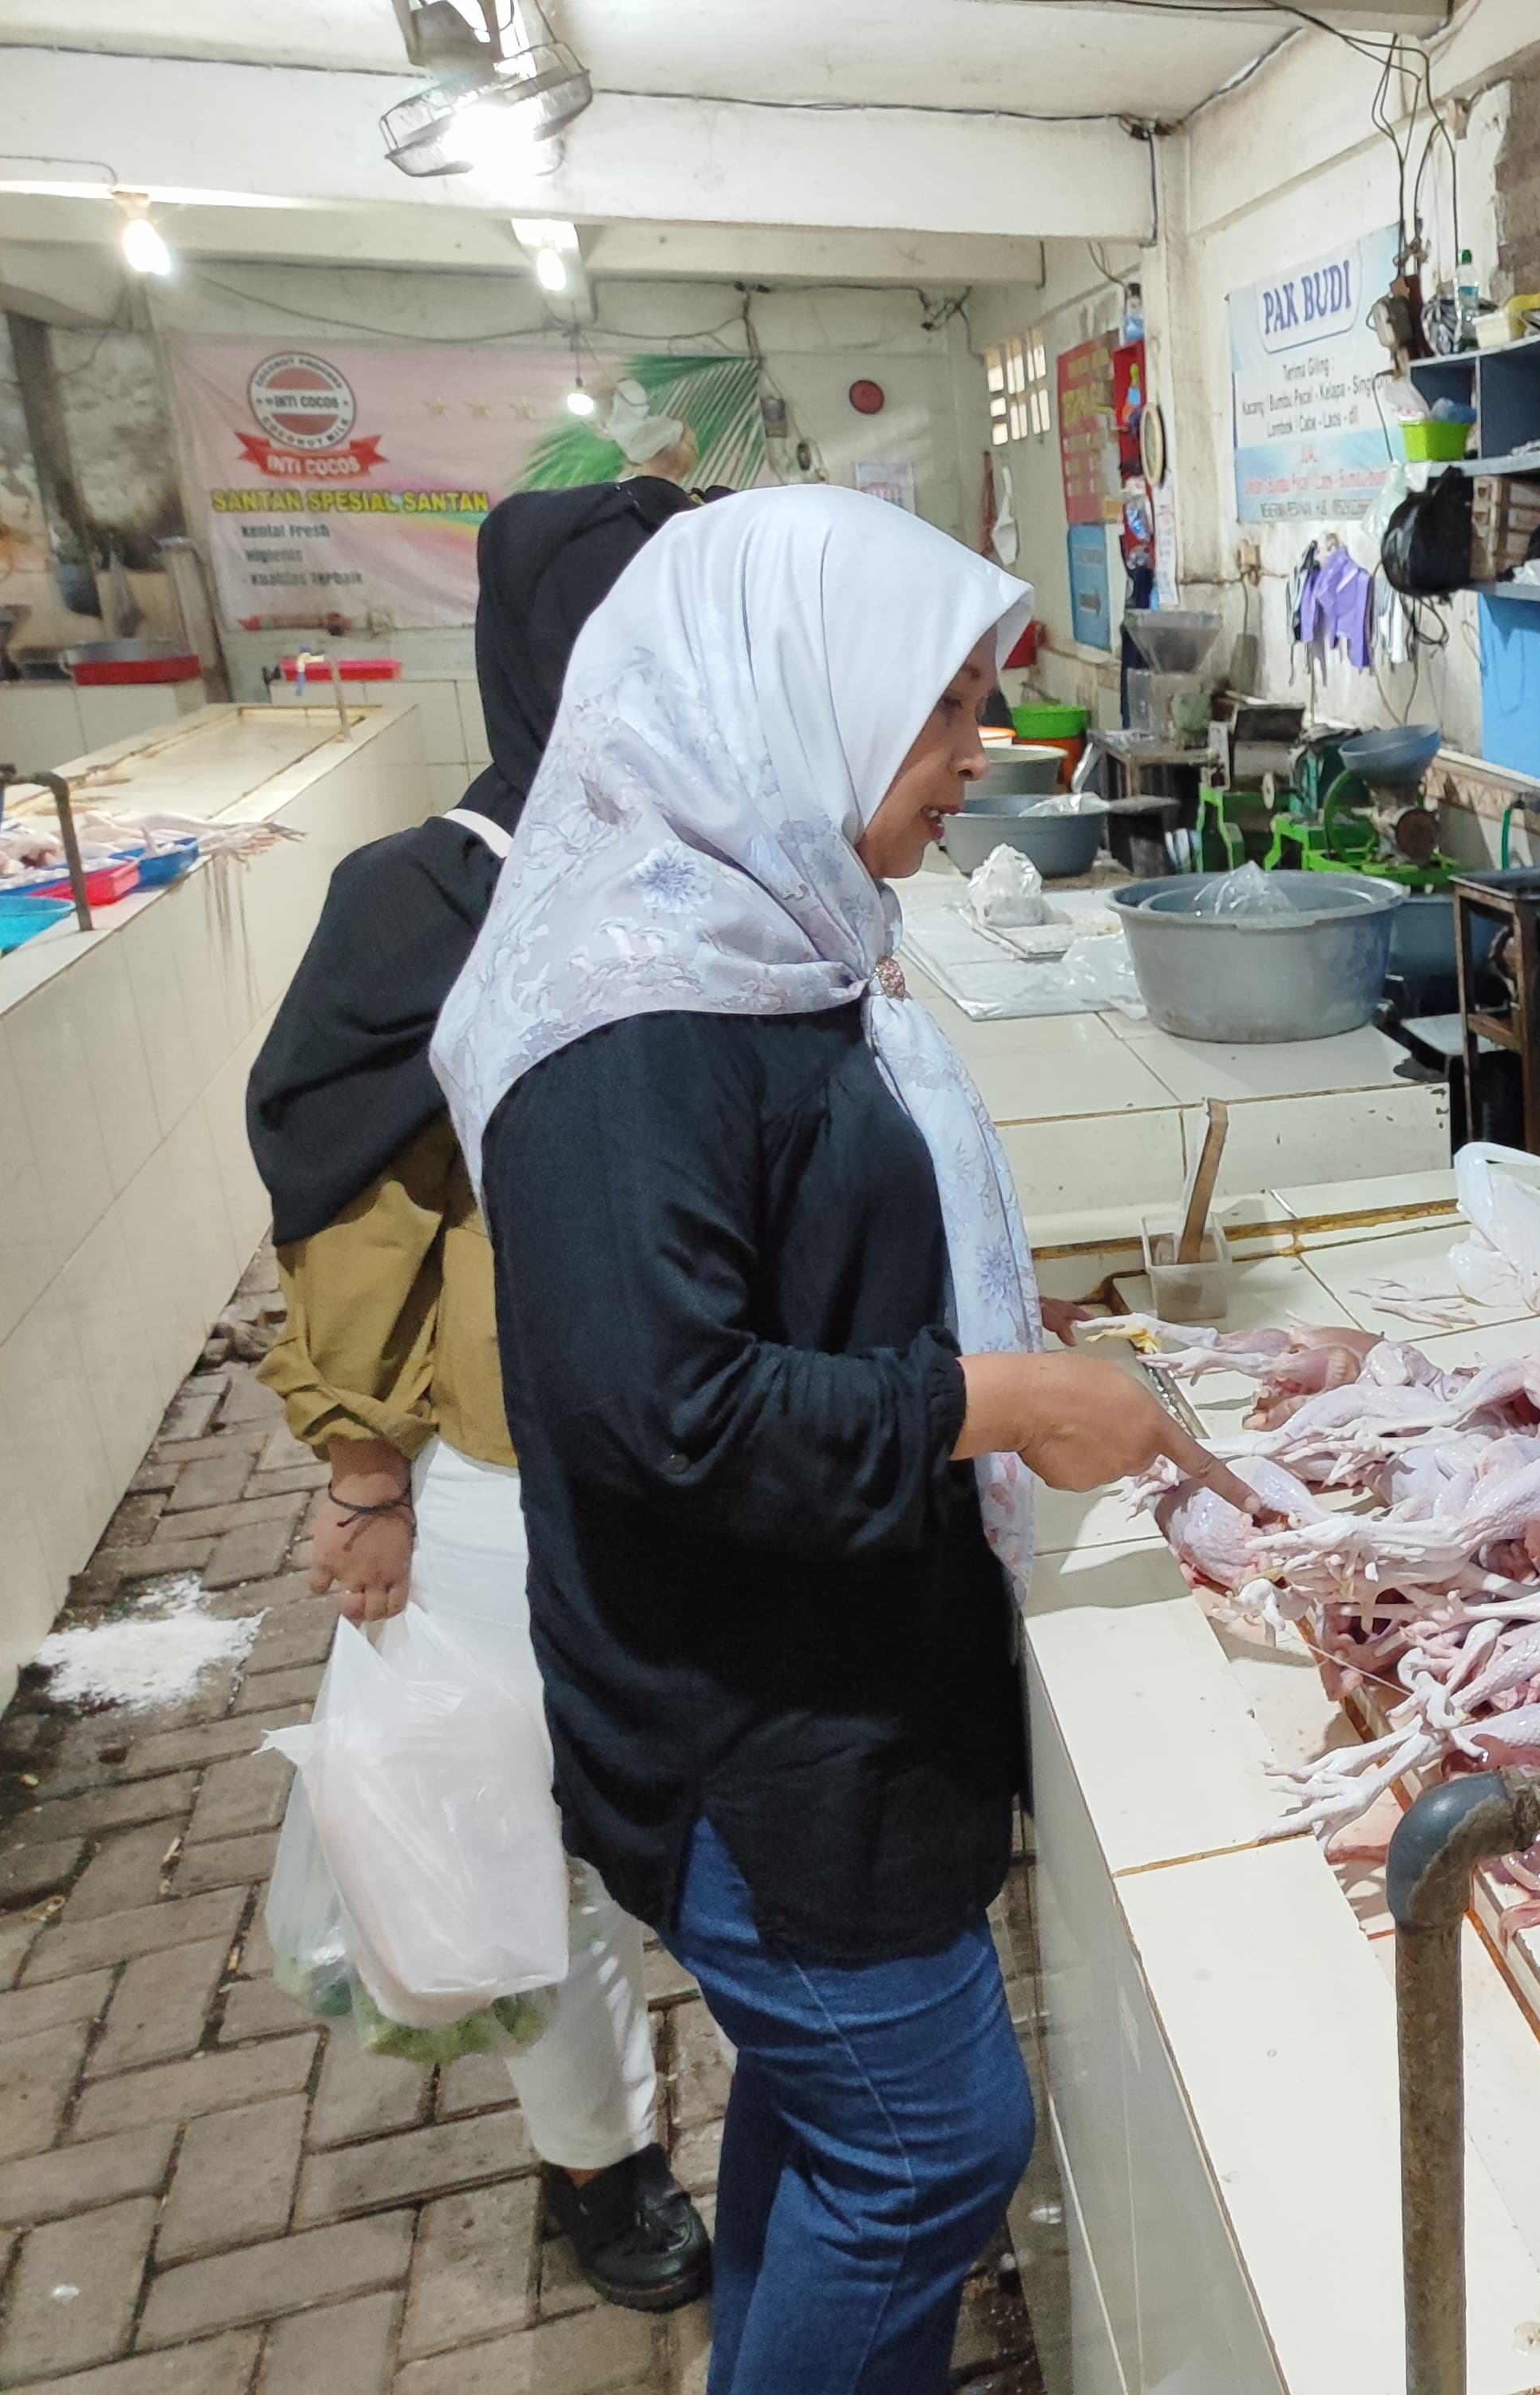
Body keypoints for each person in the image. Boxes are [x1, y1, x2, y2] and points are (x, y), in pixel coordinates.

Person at [430, 485, 1257, 2393]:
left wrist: (984, 1324)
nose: (981, 761)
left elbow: (803, 1260)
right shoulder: (622, 1030)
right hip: (754, 1736)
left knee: (829, 2103)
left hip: (832, 1673)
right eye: (948, 713)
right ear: (781, 695)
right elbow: (670, 1409)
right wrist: (1002, 1396)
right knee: (930, 2143)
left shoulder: (764, 932)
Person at [247, 473, 711, 2310]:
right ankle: (594, 2160)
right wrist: (361, 1475)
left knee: (702, 1808)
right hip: (511, 1474)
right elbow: (354, 1221)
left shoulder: (722, 856)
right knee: (539, 1841)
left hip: (711, 1440)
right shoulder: (429, 897)